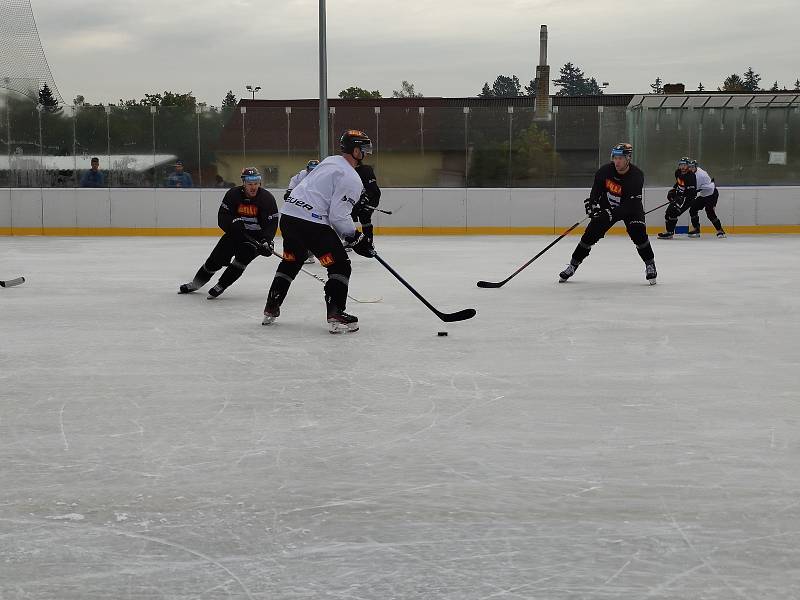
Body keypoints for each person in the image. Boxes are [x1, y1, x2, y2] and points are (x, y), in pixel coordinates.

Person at [262, 130, 375, 333]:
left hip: (288, 216)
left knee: (292, 260)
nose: (366, 153)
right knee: (340, 265)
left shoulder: (331, 161)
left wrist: (352, 208)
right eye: (364, 149)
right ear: (356, 150)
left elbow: (324, 194)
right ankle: (336, 313)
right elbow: (338, 217)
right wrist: (356, 237)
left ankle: (271, 307)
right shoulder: (352, 178)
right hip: (311, 222)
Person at [558, 143, 657, 285]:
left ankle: (650, 264)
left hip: (631, 209)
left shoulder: (636, 176)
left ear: (628, 158)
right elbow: (596, 191)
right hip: (607, 207)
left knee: (638, 232)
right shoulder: (604, 171)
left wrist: (609, 213)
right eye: (615, 158)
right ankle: (572, 265)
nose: (617, 161)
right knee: (589, 236)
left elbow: (629, 205)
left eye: (621, 158)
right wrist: (592, 204)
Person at [178, 167, 278, 299]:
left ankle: (221, 285)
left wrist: (267, 240)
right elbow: (223, 216)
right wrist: (232, 224)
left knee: (242, 259)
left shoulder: (267, 199)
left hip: (255, 238)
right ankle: (196, 283)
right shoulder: (233, 194)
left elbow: (272, 223)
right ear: (243, 183)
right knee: (215, 260)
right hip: (235, 234)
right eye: (250, 184)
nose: (253, 187)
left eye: (256, 183)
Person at [284, 159, 321, 264]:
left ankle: (311, 253)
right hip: (303, 207)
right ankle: (305, 252)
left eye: (315, 169)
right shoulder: (302, 174)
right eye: (311, 169)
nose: (312, 172)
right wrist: (290, 191)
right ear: (307, 169)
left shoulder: (323, 178)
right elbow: (294, 180)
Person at [657, 157, 698, 239]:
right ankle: (669, 232)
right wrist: (673, 189)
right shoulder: (678, 172)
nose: (682, 167)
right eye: (681, 165)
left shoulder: (691, 176)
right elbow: (679, 182)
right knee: (668, 213)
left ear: (688, 166)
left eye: (684, 165)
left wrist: (682, 202)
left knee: (673, 212)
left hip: (687, 199)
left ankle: (670, 232)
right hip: (678, 196)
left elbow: (691, 193)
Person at [688, 160, 726, 237]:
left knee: (710, 212)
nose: (691, 169)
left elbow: (694, 190)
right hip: (704, 194)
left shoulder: (700, 175)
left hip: (711, 194)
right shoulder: (693, 173)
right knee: (692, 209)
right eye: (689, 167)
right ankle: (696, 229)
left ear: (696, 167)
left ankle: (720, 231)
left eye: (692, 167)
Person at [350, 162, 382, 244]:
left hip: (372, 198)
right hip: (357, 197)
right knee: (348, 217)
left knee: (364, 217)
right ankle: (351, 239)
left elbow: (373, 189)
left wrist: (365, 199)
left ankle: (368, 241)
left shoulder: (366, 170)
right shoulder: (348, 170)